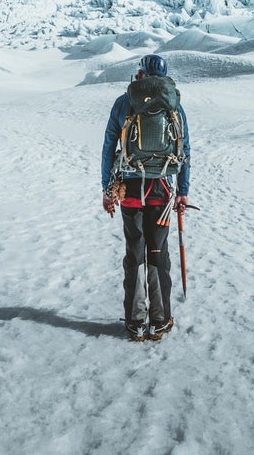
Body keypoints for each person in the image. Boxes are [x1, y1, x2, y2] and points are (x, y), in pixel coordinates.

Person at [101, 53, 191, 341]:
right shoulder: (173, 105)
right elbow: (184, 151)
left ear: (139, 75)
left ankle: (136, 321)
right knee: (158, 253)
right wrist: (184, 191)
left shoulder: (123, 102)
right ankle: (159, 321)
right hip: (161, 191)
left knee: (134, 253)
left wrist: (107, 189)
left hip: (129, 191)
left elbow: (108, 147)